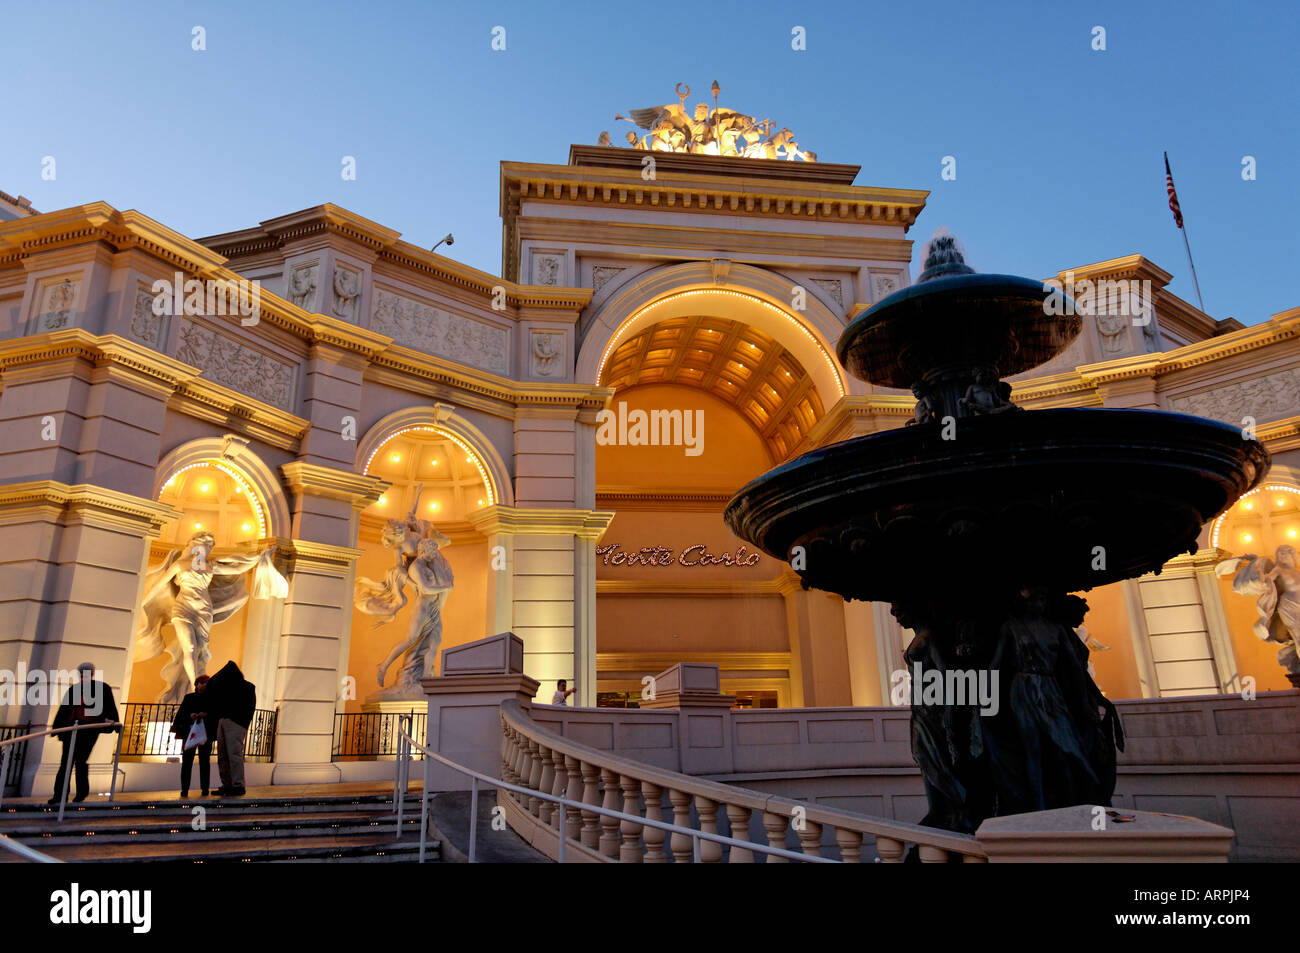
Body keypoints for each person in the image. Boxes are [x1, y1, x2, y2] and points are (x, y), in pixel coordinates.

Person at [49, 663, 120, 805]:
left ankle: (81, 793)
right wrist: (57, 728)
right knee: (66, 763)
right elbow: (65, 709)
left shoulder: (102, 688)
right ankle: (60, 795)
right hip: (72, 730)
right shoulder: (74, 689)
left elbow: (108, 706)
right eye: (81, 673)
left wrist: (111, 721)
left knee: (80, 760)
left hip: (88, 731)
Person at [204, 661, 256, 797]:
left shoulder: (247, 687)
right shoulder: (228, 687)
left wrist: (243, 722)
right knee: (223, 755)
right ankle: (227, 785)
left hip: (235, 723)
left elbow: (249, 707)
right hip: (226, 721)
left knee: (233, 755)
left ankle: (238, 785)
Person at [170, 674, 216, 798]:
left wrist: (205, 715)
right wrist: (190, 716)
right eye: (202, 683)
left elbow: (214, 715)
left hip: (205, 734)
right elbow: (181, 715)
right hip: (190, 732)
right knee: (187, 762)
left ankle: (205, 788)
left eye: (206, 683)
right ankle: (184, 789)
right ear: (196, 684)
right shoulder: (189, 698)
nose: (204, 685)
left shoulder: (211, 699)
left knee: (205, 761)